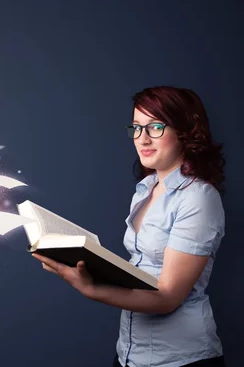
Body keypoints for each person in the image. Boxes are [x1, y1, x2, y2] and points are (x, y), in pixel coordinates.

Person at [32, 86, 226, 367]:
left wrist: (91, 288)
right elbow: (142, 270)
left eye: (155, 127)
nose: (142, 139)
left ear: (186, 131)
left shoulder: (199, 197)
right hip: (129, 354)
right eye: (136, 128)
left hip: (181, 359)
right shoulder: (145, 189)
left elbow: (167, 297)